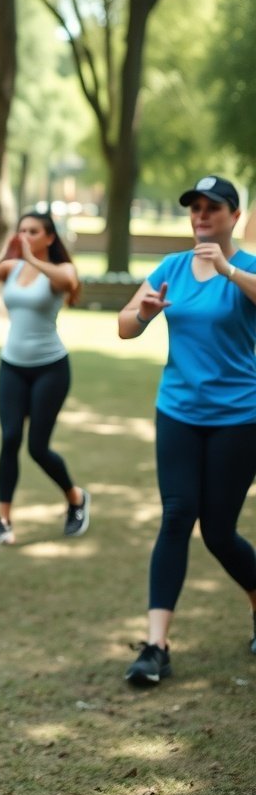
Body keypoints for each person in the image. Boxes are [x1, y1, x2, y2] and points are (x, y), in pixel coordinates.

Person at [118, 174, 256, 687]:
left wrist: (226, 269)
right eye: (195, 207)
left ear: (234, 216)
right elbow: (124, 323)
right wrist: (145, 313)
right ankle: (156, 645)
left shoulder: (246, 266)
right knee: (177, 515)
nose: (201, 215)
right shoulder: (172, 267)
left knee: (219, 531)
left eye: (212, 208)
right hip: (177, 411)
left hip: (239, 418)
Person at [0, 210, 89, 546]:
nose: (25, 236)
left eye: (33, 231)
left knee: (37, 446)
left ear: (49, 237)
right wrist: (3, 257)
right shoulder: (13, 266)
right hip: (12, 366)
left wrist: (30, 258)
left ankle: (76, 497)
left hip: (50, 368)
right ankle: (4, 521)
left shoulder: (58, 269)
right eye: (21, 230)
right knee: (9, 439)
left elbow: (67, 283)